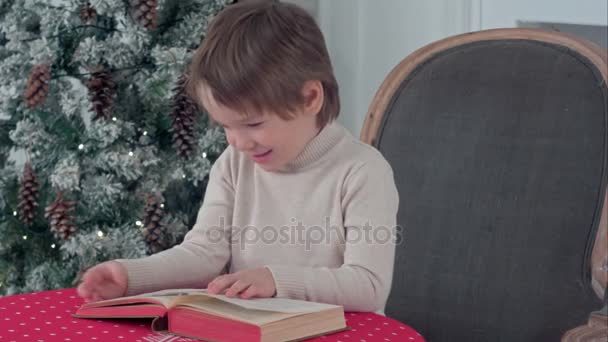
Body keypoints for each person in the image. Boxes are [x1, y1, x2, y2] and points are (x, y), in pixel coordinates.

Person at [77, 0, 399, 313]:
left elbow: (368, 285)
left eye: (253, 124)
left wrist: (276, 280)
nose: (238, 142)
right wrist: (131, 275)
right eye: (225, 126)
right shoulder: (234, 164)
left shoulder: (363, 172)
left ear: (310, 98)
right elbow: (203, 253)